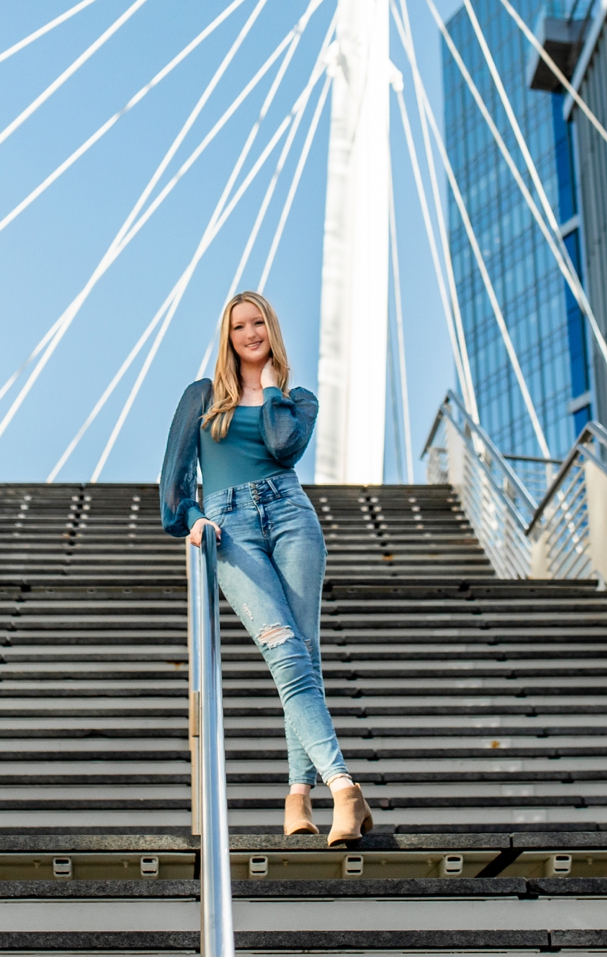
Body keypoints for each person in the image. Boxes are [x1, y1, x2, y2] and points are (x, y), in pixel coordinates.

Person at [158, 290, 374, 845]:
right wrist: (192, 517)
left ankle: (298, 797)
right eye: (238, 327)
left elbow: (282, 447)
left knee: (305, 656)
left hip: (291, 515)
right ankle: (343, 787)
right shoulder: (201, 396)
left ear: (271, 329)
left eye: (258, 323)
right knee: (283, 650)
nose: (249, 333)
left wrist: (273, 384)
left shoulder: (298, 400)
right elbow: (173, 481)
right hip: (230, 528)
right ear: (226, 338)